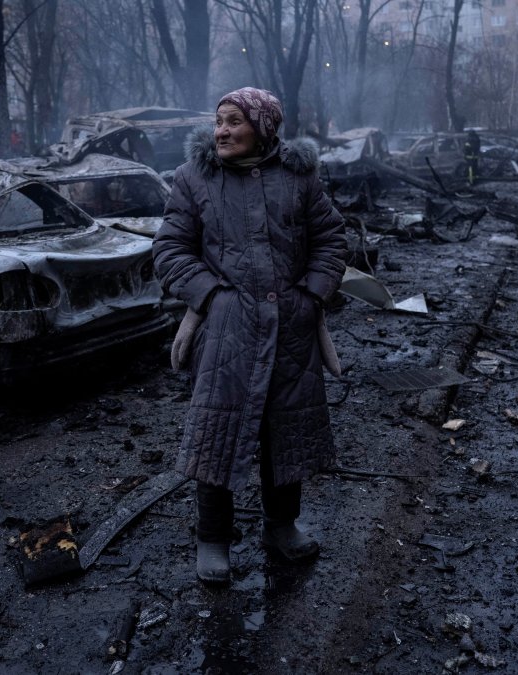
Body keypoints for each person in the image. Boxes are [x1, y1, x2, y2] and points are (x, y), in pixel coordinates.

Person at [152, 87, 348, 585]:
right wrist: (212, 298)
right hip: (225, 331)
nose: (222, 131)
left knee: (287, 431)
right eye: (219, 121)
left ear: (263, 128)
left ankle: (281, 528)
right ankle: (213, 539)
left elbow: (331, 239)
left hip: (291, 328)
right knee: (218, 433)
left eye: (234, 121)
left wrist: (312, 296)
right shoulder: (193, 177)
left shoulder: (300, 177)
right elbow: (171, 249)